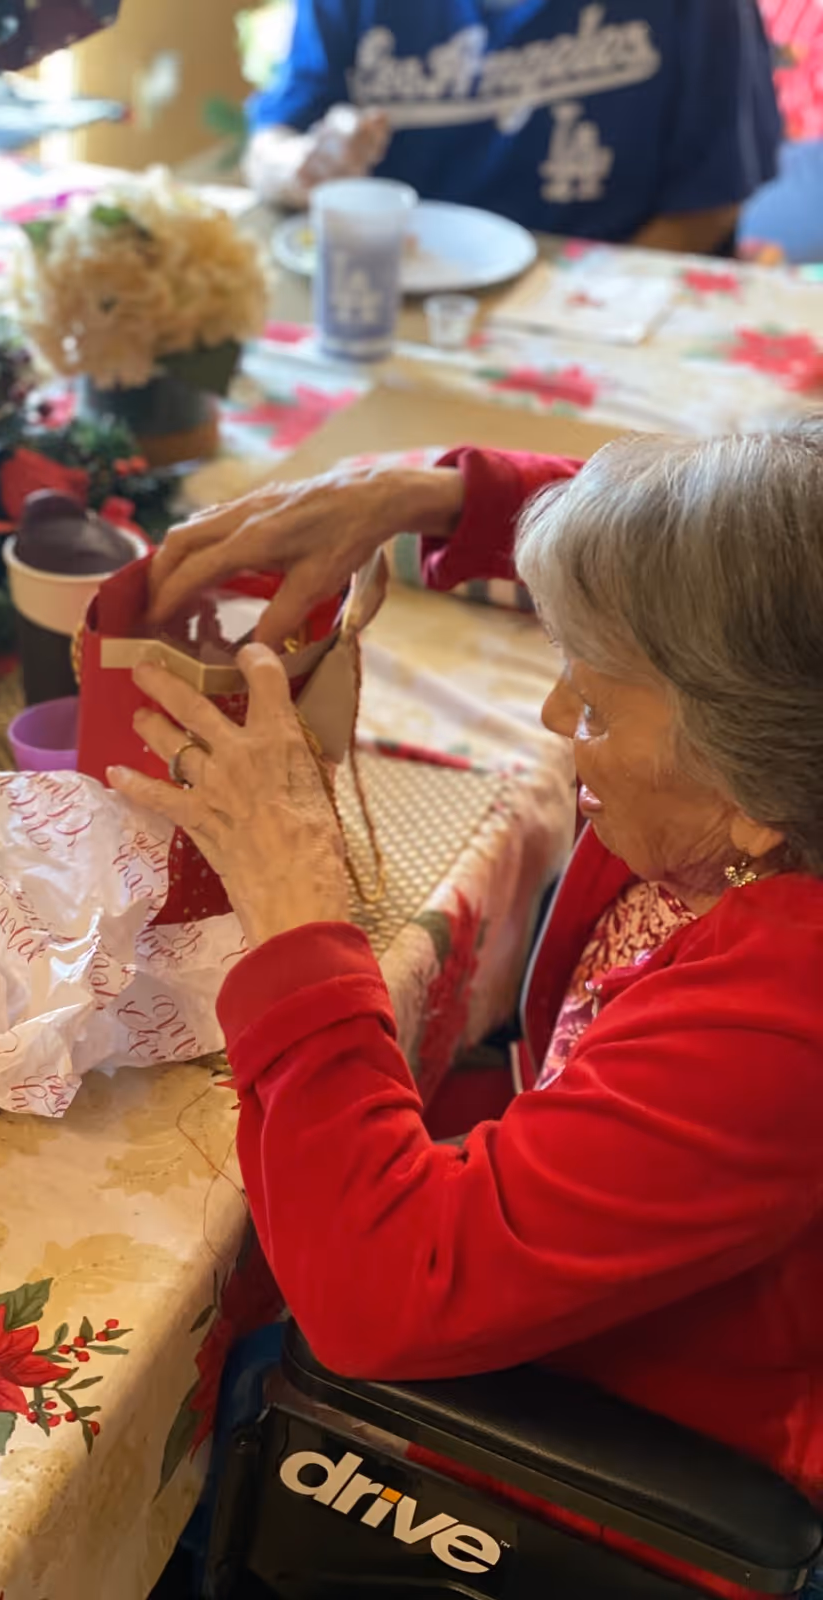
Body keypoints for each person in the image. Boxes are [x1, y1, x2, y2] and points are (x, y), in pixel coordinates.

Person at [108, 424, 823, 1508]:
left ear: (752, 798)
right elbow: (760, 576)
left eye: (592, 701)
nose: (551, 716)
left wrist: (300, 909)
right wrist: (434, 499)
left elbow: (383, 1294)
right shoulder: (769, 750)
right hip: (591, 1228)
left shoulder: (783, 1022)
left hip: (640, 1439)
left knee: (197, 1374)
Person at [246, 0, 783, 254]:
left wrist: (567, 308)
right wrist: (301, 166)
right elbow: (269, 144)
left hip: (603, 312)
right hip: (401, 301)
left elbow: (707, 209)